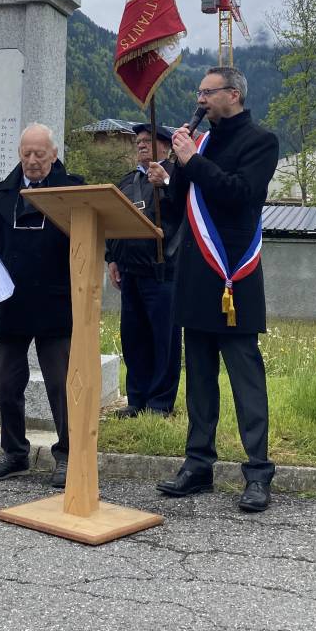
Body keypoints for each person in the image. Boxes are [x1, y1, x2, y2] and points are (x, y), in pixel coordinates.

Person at [149, 66, 279, 513]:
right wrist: (165, 180)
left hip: (233, 272)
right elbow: (181, 199)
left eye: (208, 92)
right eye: (199, 93)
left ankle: (258, 471)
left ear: (233, 95)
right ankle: (197, 464)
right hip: (195, 273)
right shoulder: (199, 143)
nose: (200, 100)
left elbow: (239, 194)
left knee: (245, 375)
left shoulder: (261, 141)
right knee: (199, 376)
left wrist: (190, 160)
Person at [0, 123, 84, 489]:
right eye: (26, 154)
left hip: (55, 299)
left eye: (39, 155)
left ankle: (68, 455)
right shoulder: (2, 194)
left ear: (54, 155)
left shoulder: (75, 192)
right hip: (12, 300)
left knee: (61, 384)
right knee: (5, 380)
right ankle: (15, 453)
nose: (32, 162)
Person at [105, 124, 182, 418]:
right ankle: (136, 398)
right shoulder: (126, 182)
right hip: (130, 270)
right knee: (134, 338)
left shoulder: (176, 176)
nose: (141, 145)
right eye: (138, 141)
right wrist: (111, 257)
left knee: (164, 339)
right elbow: (111, 218)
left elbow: (187, 210)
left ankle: (160, 403)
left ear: (165, 147)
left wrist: (166, 183)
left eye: (148, 141)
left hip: (163, 270)